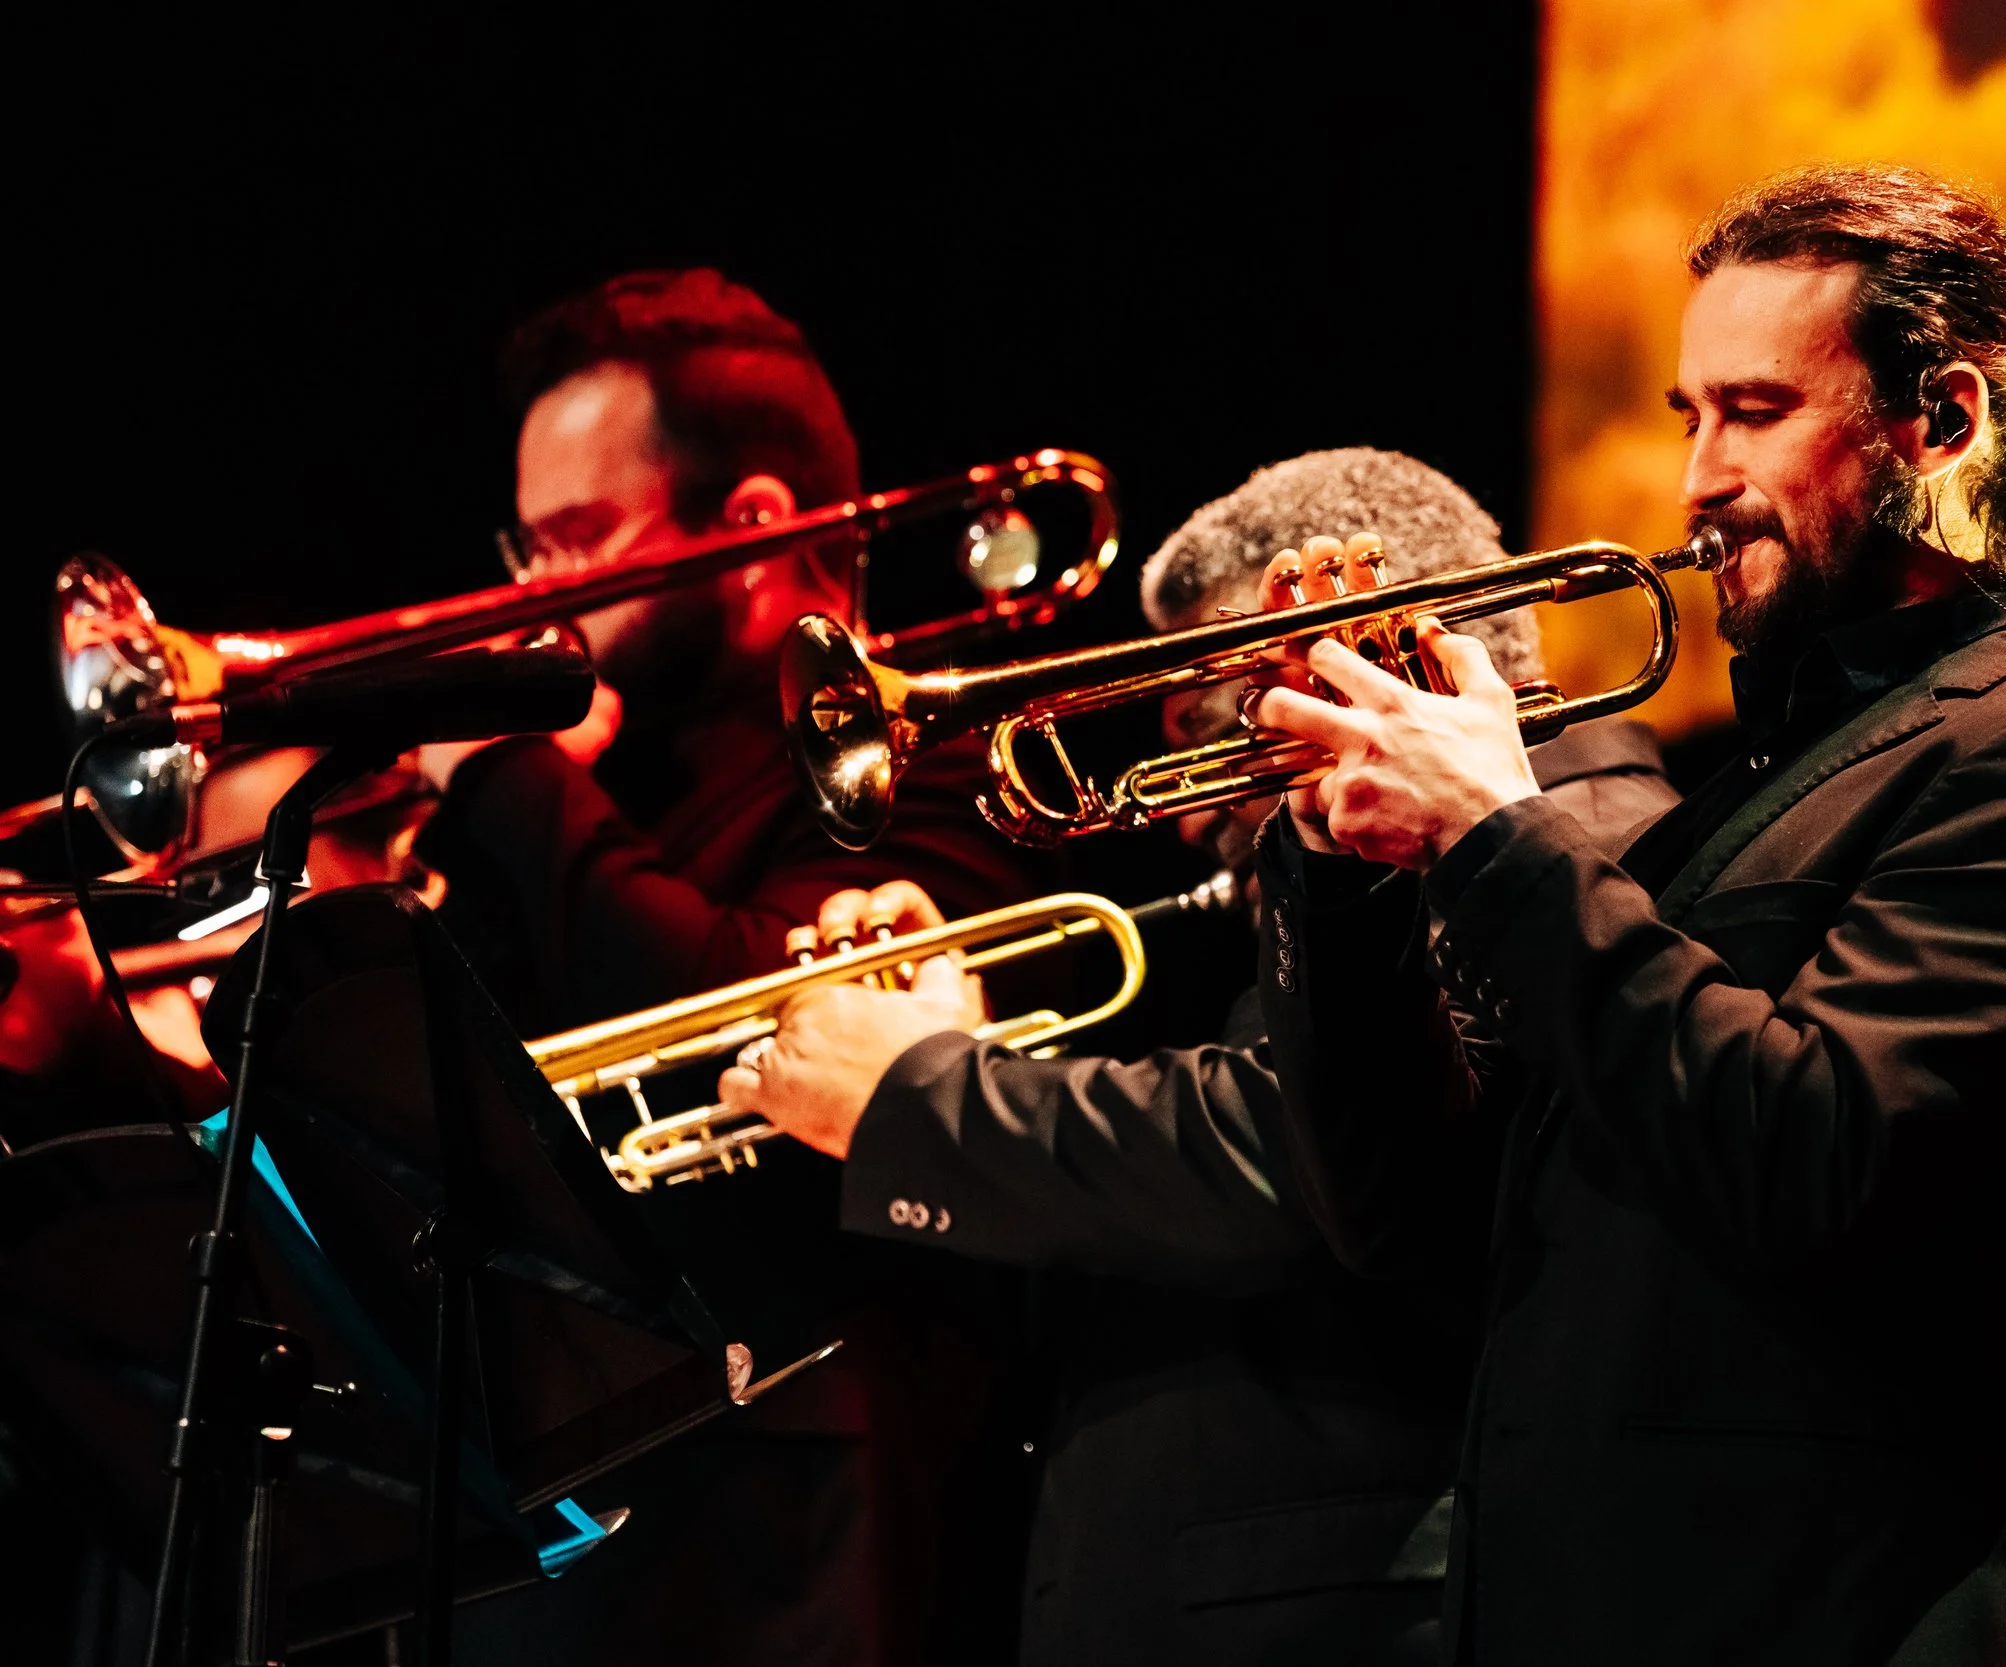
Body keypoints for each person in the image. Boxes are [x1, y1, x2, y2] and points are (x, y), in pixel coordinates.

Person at [1247, 169, 2006, 1663]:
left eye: (1755, 410)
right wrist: (1353, 867)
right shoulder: (1742, 797)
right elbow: (1416, 1227)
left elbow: (1817, 1154)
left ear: (1940, 423)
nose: (1696, 477)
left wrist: (1497, 835)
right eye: (1688, 414)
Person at [715, 449, 1679, 1666]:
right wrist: (953, 1034)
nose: (1177, 806)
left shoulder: (1587, 842)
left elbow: (1287, 1154)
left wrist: (927, 1096)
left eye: (1214, 710)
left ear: (1367, 641)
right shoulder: (1381, 874)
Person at [427, 269, 1048, 1667]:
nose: (536, 596)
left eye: (577, 538)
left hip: (796, 1528)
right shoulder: (596, 779)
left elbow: (754, 1027)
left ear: (757, 523)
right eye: (524, 550)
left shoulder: (937, 758)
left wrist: (512, 776)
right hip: (554, 1521)